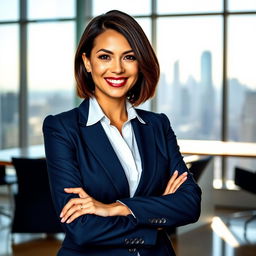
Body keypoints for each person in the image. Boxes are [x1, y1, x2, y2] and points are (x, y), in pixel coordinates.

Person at [43, 10, 201, 256]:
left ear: (140, 63)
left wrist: (116, 208)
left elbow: (190, 206)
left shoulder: (158, 125)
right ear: (87, 62)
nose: (117, 68)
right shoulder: (62, 128)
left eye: (129, 57)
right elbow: (82, 228)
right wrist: (156, 222)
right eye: (105, 56)